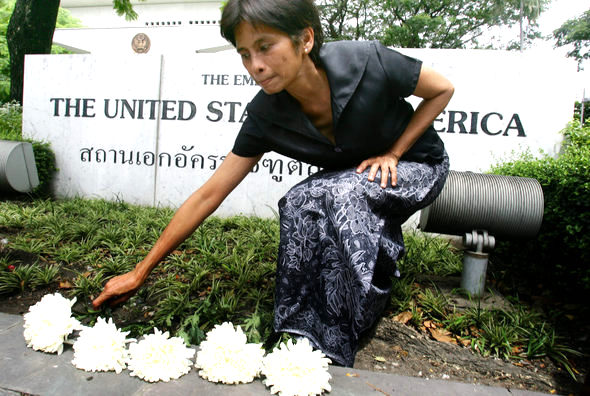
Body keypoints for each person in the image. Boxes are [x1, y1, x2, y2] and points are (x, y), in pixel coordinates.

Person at [93, 0, 454, 367]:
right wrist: (140, 272)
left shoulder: (366, 61)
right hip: (355, 180)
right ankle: (299, 327)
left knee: (339, 193)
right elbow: (209, 194)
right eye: (244, 54)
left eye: (265, 47)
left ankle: (348, 322)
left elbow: (442, 89)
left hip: (417, 166)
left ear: (306, 39)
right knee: (300, 199)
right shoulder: (265, 115)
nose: (256, 66)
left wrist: (393, 153)